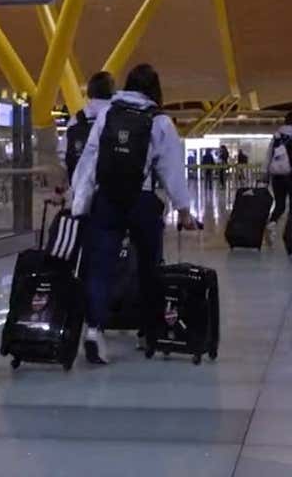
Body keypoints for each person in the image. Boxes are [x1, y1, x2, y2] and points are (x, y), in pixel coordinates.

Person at [72, 63, 198, 364]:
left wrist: (79, 199)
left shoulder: (106, 114)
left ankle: (95, 329)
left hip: (107, 199)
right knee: (149, 266)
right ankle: (147, 330)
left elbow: (90, 160)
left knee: (100, 266)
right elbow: (170, 169)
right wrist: (183, 210)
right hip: (141, 200)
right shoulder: (160, 121)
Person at [59, 71, 115, 186]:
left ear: (90, 92)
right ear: (112, 91)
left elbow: (63, 155)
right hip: (111, 190)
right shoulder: (118, 117)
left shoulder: (77, 119)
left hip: (80, 187)